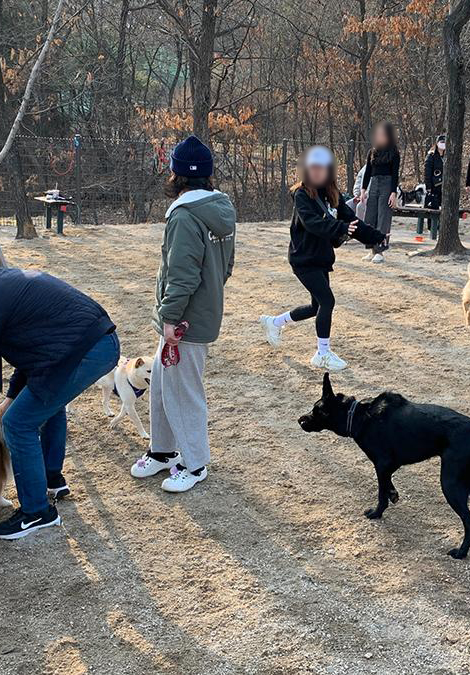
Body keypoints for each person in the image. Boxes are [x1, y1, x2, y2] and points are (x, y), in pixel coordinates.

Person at [0, 253, 119, 538]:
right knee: (47, 406)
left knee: (18, 423)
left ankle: (36, 512)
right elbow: (32, 352)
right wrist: (10, 397)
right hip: (90, 344)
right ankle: (52, 479)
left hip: (84, 349)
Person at [130, 135, 235, 493]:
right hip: (191, 316)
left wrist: (171, 317)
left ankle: (195, 463)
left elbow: (182, 274)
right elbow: (226, 265)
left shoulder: (185, 217)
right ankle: (163, 451)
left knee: (184, 391)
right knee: (161, 382)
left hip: (184, 322)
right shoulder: (219, 210)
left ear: (177, 174)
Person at [257, 146, 384, 371]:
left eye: (322, 168)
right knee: (327, 301)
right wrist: (342, 227)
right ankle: (322, 354)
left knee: (317, 306)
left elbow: (353, 222)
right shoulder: (302, 195)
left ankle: (274, 322)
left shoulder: (330, 194)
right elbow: (314, 224)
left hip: (321, 258)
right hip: (303, 258)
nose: (318, 172)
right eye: (313, 168)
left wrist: (377, 236)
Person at [359, 122, 400, 263]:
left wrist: (393, 193)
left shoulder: (394, 152)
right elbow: (368, 172)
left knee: (383, 218)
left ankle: (380, 252)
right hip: (374, 184)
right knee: (370, 217)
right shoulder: (372, 152)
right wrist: (363, 190)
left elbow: (395, 174)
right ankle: (372, 250)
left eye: (382, 134)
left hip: (387, 185)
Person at [423, 134, 446, 239]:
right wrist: (428, 186)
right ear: (436, 143)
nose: (443, 144)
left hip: (445, 187)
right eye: (441, 142)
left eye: (444, 142)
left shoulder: (448, 156)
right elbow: (427, 172)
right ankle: (430, 228)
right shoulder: (431, 156)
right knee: (432, 206)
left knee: (443, 208)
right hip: (433, 186)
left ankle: (441, 228)